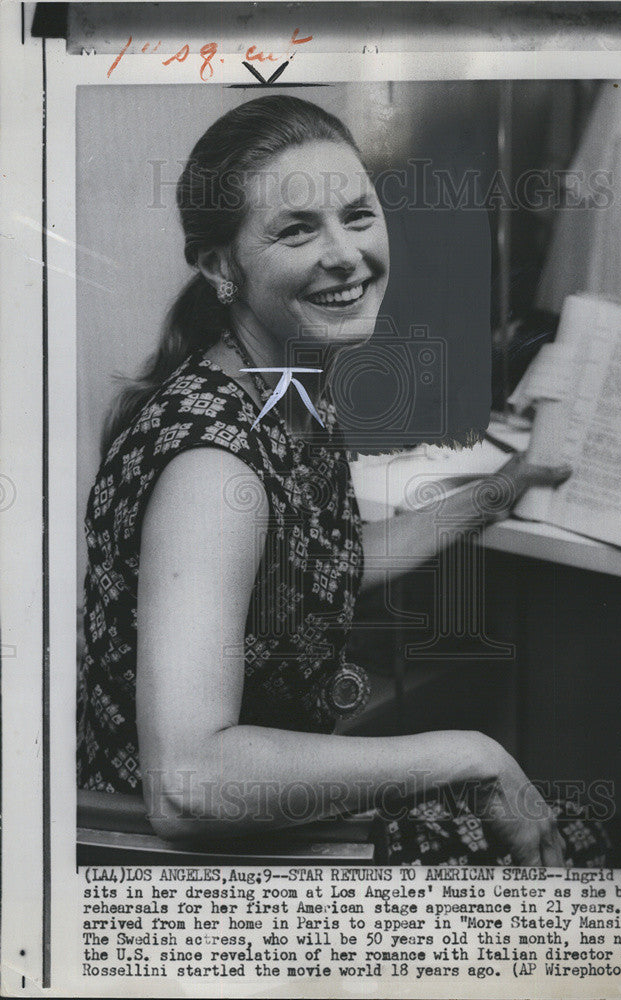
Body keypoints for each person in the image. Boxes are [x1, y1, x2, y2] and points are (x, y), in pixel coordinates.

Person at [78, 95, 578, 867]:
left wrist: (496, 491)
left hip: (261, 831)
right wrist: (469, 754)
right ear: (220, 266)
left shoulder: (281, 384)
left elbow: (325, 563)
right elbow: (187, 783)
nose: (344, 253)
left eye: (357, 214)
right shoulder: (212, 466)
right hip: (189, 869)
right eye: (296, 229)